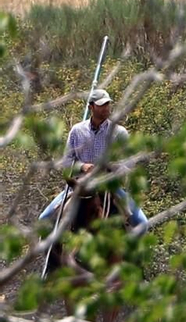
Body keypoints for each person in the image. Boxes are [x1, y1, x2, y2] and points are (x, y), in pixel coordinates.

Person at [38, 88, 148, 230]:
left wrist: (108, 167)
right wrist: (82, 167)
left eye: (107, 104)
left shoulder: (119, 133)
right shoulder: (77, 131)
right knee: (44, 219)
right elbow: (66, 162)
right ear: (91, 107)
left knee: (142, 224)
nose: (106, 108)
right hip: (79, 187)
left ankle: (132, 251)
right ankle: (47, 252)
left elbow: (129, 164)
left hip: (110, 187)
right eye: (101, 105)